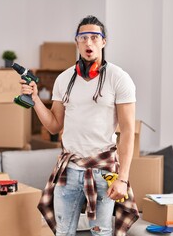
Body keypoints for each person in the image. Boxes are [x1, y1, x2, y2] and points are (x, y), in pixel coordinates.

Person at [20, 15, 139, 236]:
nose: (88, 43)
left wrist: (122, 178)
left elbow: (128, 132)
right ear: (77, 42)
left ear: (104, 41)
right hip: (69, 169)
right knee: (63, 232)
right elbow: (54, 126)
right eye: (83, 38)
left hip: (103, 171)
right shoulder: (64, 79)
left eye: (94, 37)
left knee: (100, 232)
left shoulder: (119, 78)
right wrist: (35, 99)